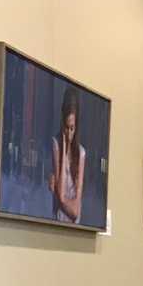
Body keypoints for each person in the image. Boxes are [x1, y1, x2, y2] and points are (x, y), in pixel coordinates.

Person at [49, 88, 86, 223]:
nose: (69, 134)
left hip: (74, 226)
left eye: (72, 128)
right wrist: (64, 146)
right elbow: (61, 192)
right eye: (66, 127)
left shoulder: (81, 153)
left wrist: (60, 197)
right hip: (57, 221)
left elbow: (75, 211)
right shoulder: (56, 144)